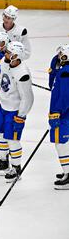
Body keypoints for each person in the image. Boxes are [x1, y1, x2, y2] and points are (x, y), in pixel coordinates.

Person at [0, 41, 34, 181]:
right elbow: (2, 80)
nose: (5, 54)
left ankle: (16, 167)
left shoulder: (22, 74)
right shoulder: (5, 62)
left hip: (14, 111)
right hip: (3, 106)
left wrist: (21, 115)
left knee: (12, 140)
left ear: (15, 56)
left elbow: (28, 98)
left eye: (8, 52)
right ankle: (3, 161)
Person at [49, 44, 69, 189]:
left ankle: (68, 174)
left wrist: (56, 113)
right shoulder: (62, 71)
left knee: (61, 144)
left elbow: (64, 96)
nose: (58, 56)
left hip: (64, 115)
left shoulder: (65, 73)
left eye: (61, 54)